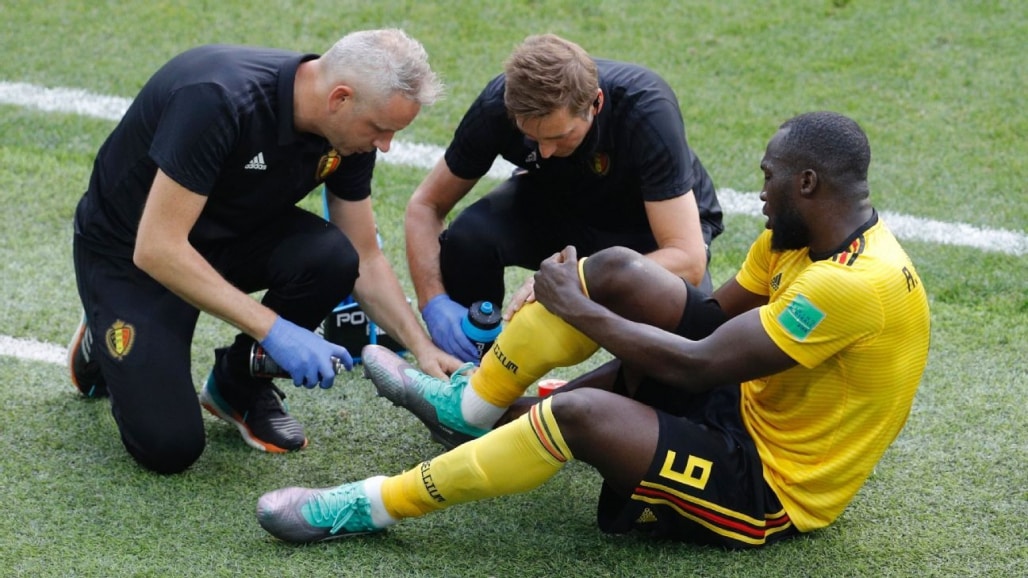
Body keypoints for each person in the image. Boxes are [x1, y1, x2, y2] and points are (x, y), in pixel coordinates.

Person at [255, 111, 931, 547]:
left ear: (807, 183)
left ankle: (370, 505)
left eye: (769, 177)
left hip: (768, 485)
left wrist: (578, 310)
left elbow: (697, 363)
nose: (759, 192)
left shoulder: (850, 285)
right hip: (744, 404)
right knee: (616, 271)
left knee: (580, 416)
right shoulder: (799, 242)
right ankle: (473, 407)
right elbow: (708, 322)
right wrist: (595, 294)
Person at [67, 29, 460, 475]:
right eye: (380, 129)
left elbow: (365, 256)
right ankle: (101, 328)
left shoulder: (350, 133)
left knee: (334, 257)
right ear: (340, 98)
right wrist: (274, 330)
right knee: (169, 446)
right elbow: (157, 248)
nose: (385, 144)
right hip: (134, 253)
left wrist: (422, 348)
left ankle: (237, 385)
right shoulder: (217, 99)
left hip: (229, 234)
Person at [406, 33, 724, 362]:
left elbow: (687, 259)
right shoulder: (496, 106)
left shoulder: (645, 107)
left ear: (596, 103)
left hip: (648, 225)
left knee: (687, 333)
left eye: (561, 136)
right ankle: (470, 367)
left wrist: (576, 279)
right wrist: (434, 303)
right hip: (560, 200)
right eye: (532, 137)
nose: (545, 151)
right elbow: (426, 205)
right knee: (469, 237)